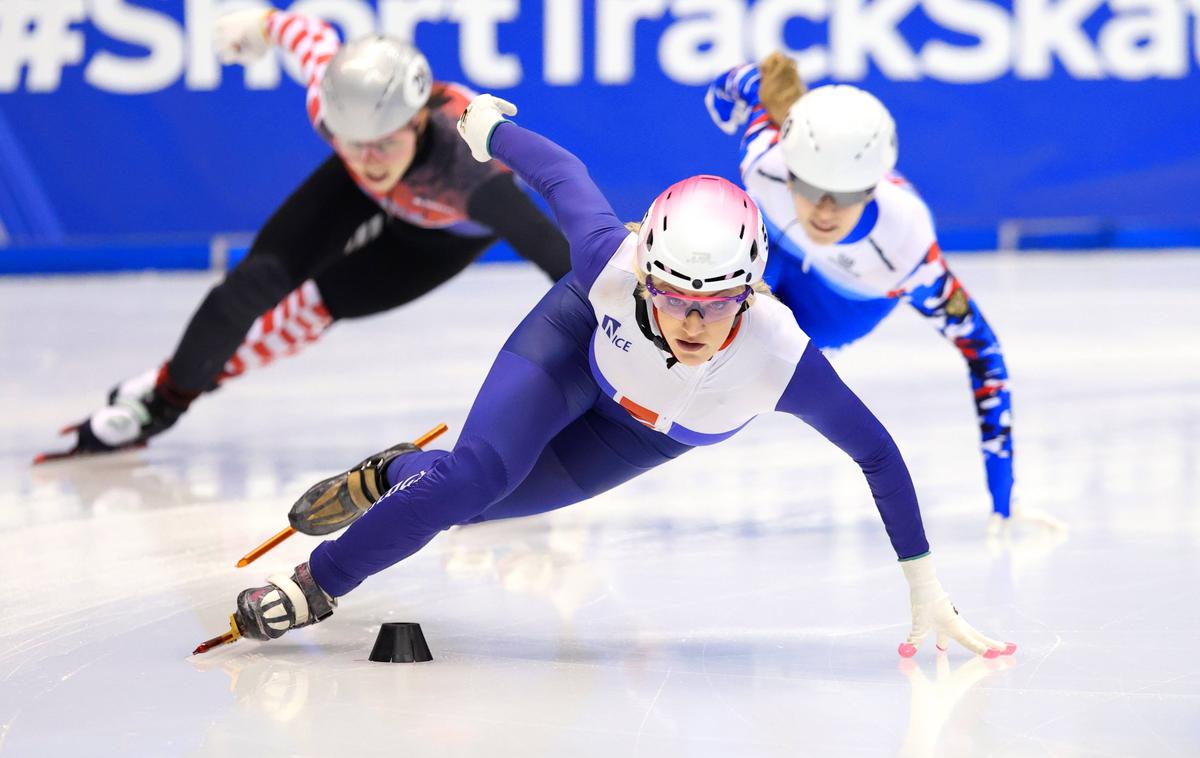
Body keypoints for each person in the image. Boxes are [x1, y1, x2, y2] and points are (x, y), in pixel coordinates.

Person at [224, 94, 1015, 661]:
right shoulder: (608, 256)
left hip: (645, 434)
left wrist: (923, 584)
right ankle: (312, 587)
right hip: (573, 348)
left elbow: (877, 454)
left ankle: (391, 472)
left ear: (752, 290)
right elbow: (561, 172)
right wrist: (489, 126)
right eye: (671, 296)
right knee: (474, 478)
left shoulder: (779, 357)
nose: (693, 321)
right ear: (644, 276)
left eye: (719, 303)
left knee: (466, 508)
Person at [38, 7, 568, 461]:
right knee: (248, 286)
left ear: (416, 122)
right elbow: (308, 37)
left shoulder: (470, 174)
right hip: (357, 196)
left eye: (381, 143)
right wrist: (263, 22)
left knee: (309, 310)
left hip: (439, 235)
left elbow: (558, 255)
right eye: (350, 141)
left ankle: (174, 384)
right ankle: (163, 400)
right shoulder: (332, 106)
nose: (368, 158)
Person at [706, 55, 1059, 532]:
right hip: (774, 249)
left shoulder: (906, 247)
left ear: (874, 187)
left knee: (744, 366)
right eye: (811, 188)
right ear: (789, 172)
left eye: (850, 195)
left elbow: (984, 353)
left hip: (837, 303)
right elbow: (743, 82)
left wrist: (1004, 501)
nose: (827, 212)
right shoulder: (765, 161)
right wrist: (732, 96)